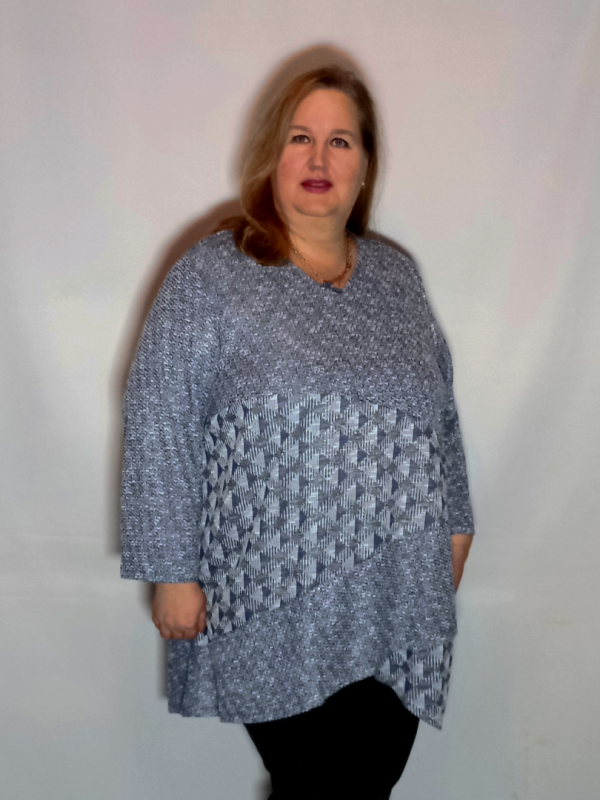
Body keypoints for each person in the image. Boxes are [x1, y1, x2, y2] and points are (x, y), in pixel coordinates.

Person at [120, 64, 474, 799]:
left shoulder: (397, 280)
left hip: (395, 589)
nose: (319, 158)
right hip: (270, 595)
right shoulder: (213, 276)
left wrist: (457, 528)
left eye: (340, 141)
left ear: (364, 164)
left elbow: (439, 413)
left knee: (366, 783)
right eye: (299, 137)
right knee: (322, 785)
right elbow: (161, 415)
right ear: (269, 156)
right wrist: (172, 571)